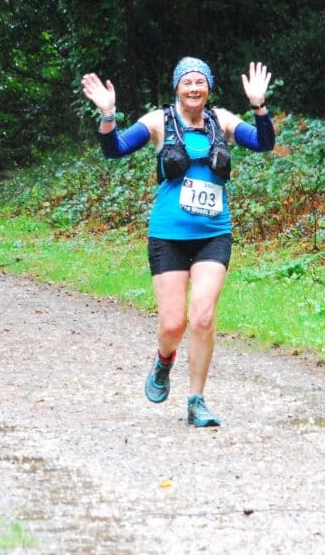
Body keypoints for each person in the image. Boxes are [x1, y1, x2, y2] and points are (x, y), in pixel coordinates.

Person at [81, 57, 276, 427]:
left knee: (202, 316)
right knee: (173, 324)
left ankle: (196, 400)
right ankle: (164, 359)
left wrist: (259, 106)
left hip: (213, 234)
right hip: (168, 235)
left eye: (200, 82)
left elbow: (264, 143)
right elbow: (115, 150)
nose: (193, 88)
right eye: (186, 82)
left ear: (208, 87)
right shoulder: (158, 122)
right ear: (176, 87)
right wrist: (108, 115)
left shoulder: (224, 121)